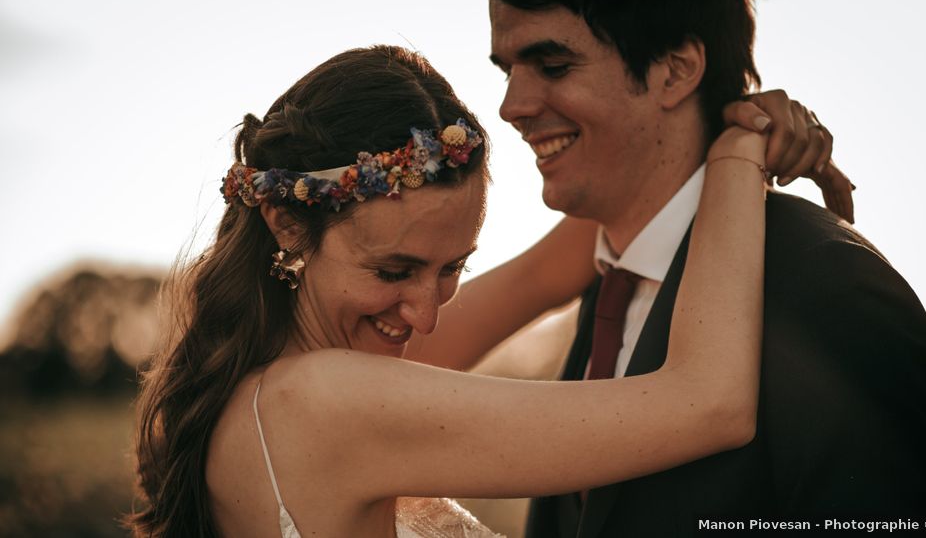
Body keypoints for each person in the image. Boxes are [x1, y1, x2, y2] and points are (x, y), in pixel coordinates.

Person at [126, 42, 822, 537]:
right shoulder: (326, 402)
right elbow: (709, 404)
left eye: (453, 266)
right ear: (287, 225)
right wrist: (737, 154)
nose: (426, 315)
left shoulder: (270, 389)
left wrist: (681, 124)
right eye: (394, 272)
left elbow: (549, 272)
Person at [412, 0, 926, 536]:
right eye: (508, 71)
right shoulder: (605, 281)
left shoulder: (831, 285)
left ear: (675, 70)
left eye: (553, 65)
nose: (511, 107)